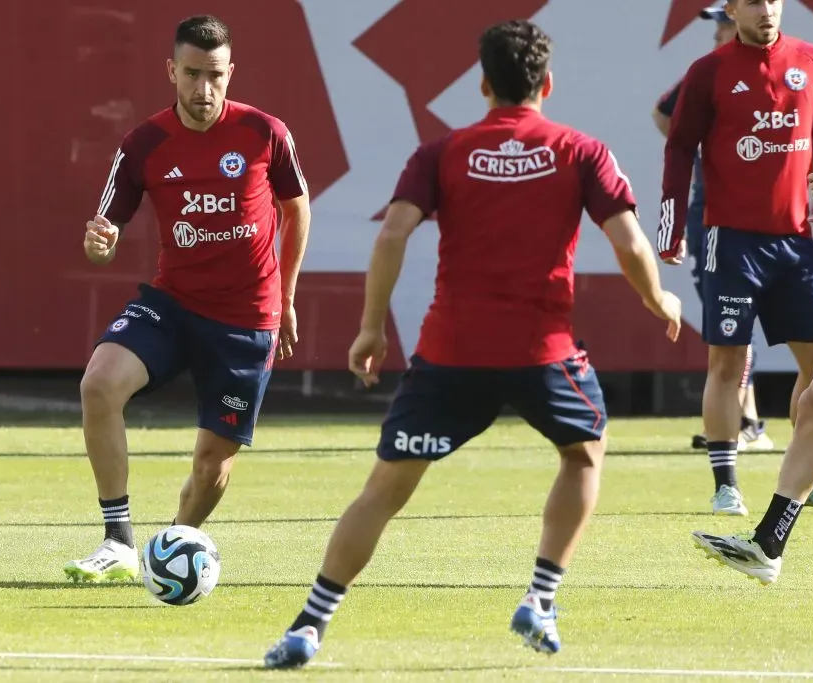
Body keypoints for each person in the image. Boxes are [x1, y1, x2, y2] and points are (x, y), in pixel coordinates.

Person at [262, 19, 682, 668]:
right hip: (542, 353)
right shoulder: (581, 150)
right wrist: (660, 300)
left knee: (383, 490)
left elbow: (391, 236)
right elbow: (628, 242)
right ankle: (540, 596)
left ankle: (309, 624)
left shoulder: (441, 153)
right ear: (547, 83)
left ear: (483, 84)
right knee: (584, 453)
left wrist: (372, 327)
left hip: (450, 355)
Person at [63, 14, 311, 583]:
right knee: (99, 383)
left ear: (231, 73)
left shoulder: (265, 133)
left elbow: (297, 210)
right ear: (172, 71)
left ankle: (167, 552)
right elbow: (106, 230)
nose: (204, 90)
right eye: (193, 75)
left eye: (215, 76)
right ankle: (119, 541)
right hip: (172, 305)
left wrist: (288, 297)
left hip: (247, 320)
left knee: (211, 469)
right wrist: (98, 244)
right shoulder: (143, 144)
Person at [659, 0, 813, 517]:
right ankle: (725, 484)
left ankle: (809, 475)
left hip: (801, 245)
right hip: (732, 242)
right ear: (732, 10)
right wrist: (671, 227)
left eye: (774, 0)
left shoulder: (812, 63)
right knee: (728, 362)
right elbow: (678, 148)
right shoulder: (708, 72)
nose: (767, 10)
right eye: (755, 2)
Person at [653, 2, 774, 453]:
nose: (717, 34)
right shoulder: (709, 74)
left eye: (722, 23)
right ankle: (748, 422)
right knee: (728, 321)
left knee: (736, 324)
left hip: (762, 219)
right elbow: (663, 114)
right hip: (712, 217)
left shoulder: (781, 68)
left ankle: (745, 422)